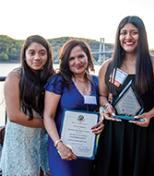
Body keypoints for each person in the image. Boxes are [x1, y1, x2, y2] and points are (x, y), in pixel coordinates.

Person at [93, 16, 154, 176]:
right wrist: (106, 107)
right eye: (123, 33)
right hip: (115, 132)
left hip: (145, 131)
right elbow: (102, 96)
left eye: (134, 32)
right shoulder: (107, 65)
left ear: (142, 35)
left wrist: (150, 114)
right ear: (118, 36)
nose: (128, 37)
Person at [43, 39, 104, 176]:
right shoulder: (58, 81)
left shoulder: (96, 82)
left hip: (85, 148)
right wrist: (59, 145)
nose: (78, 62)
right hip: (61, 147)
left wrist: (101, 122)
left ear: (87, 56)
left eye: (81, 56)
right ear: (66, 61)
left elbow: (101, 109)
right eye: (72, 58)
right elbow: (48, 116)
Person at [0, 35, 54, 175]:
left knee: (44, 170)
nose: (37, 57)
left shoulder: (51, 77)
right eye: (32, 52)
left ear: (48, 55)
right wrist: (48, 123)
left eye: (42, 53)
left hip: (42, 138)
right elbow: (14, 116)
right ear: (24, 55)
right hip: (20, 139)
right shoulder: (15, 76)